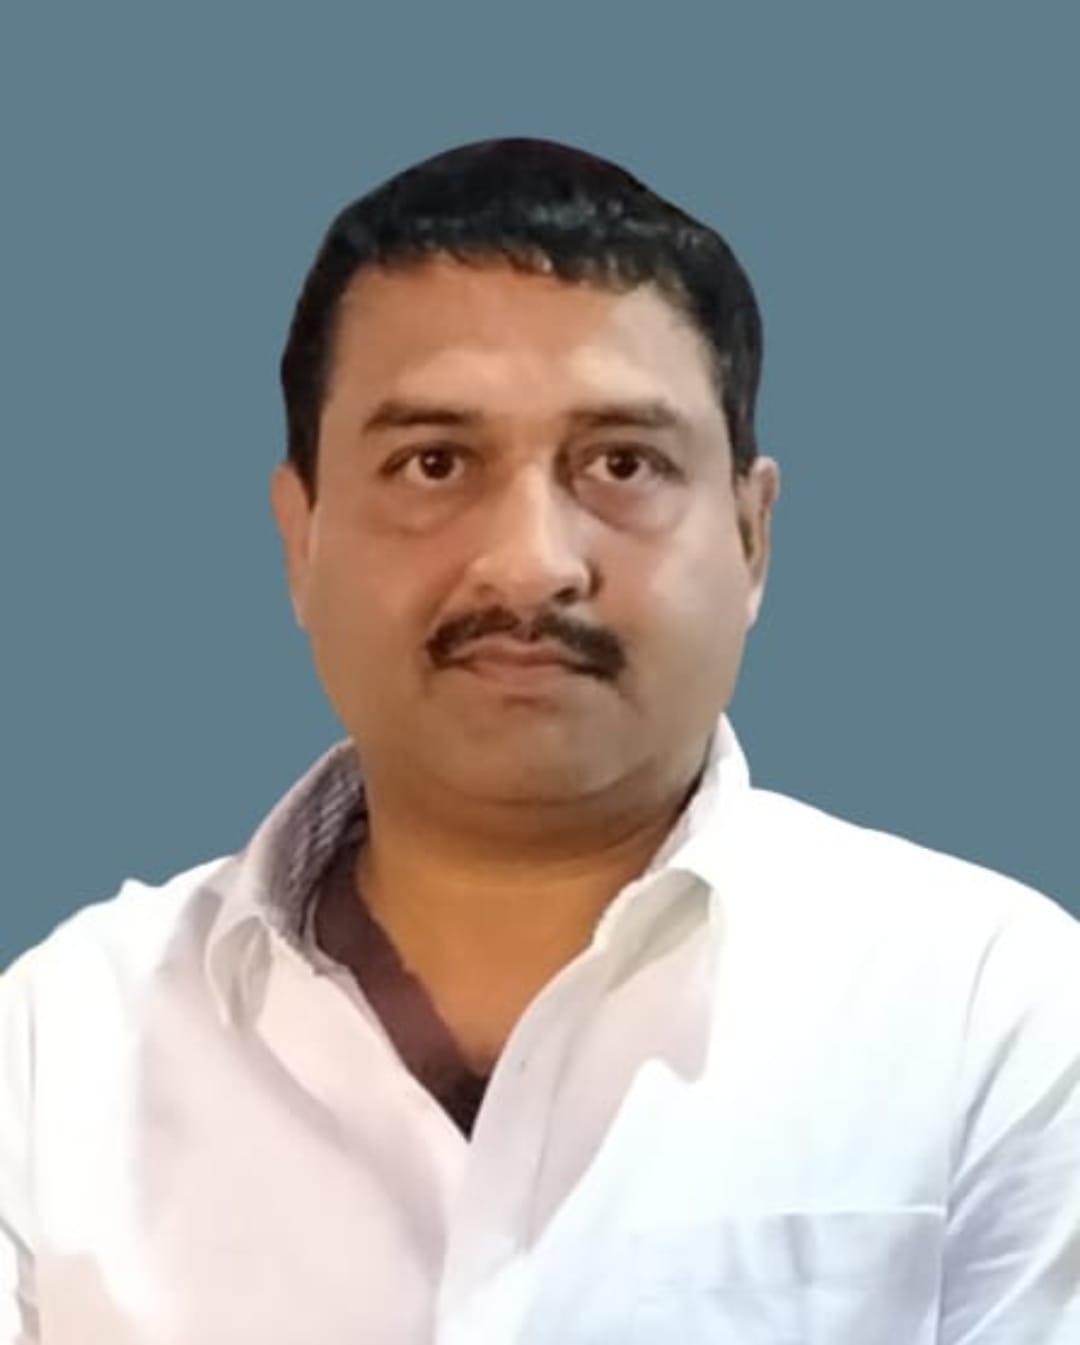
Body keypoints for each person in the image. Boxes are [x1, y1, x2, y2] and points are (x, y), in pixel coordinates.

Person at [1, 137, 1077, 1344]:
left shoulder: (995, 1016)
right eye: (433, 462)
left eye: (623, 463)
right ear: (301, 536)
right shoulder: (56, 1048)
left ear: (752, 535)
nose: (528, 564)